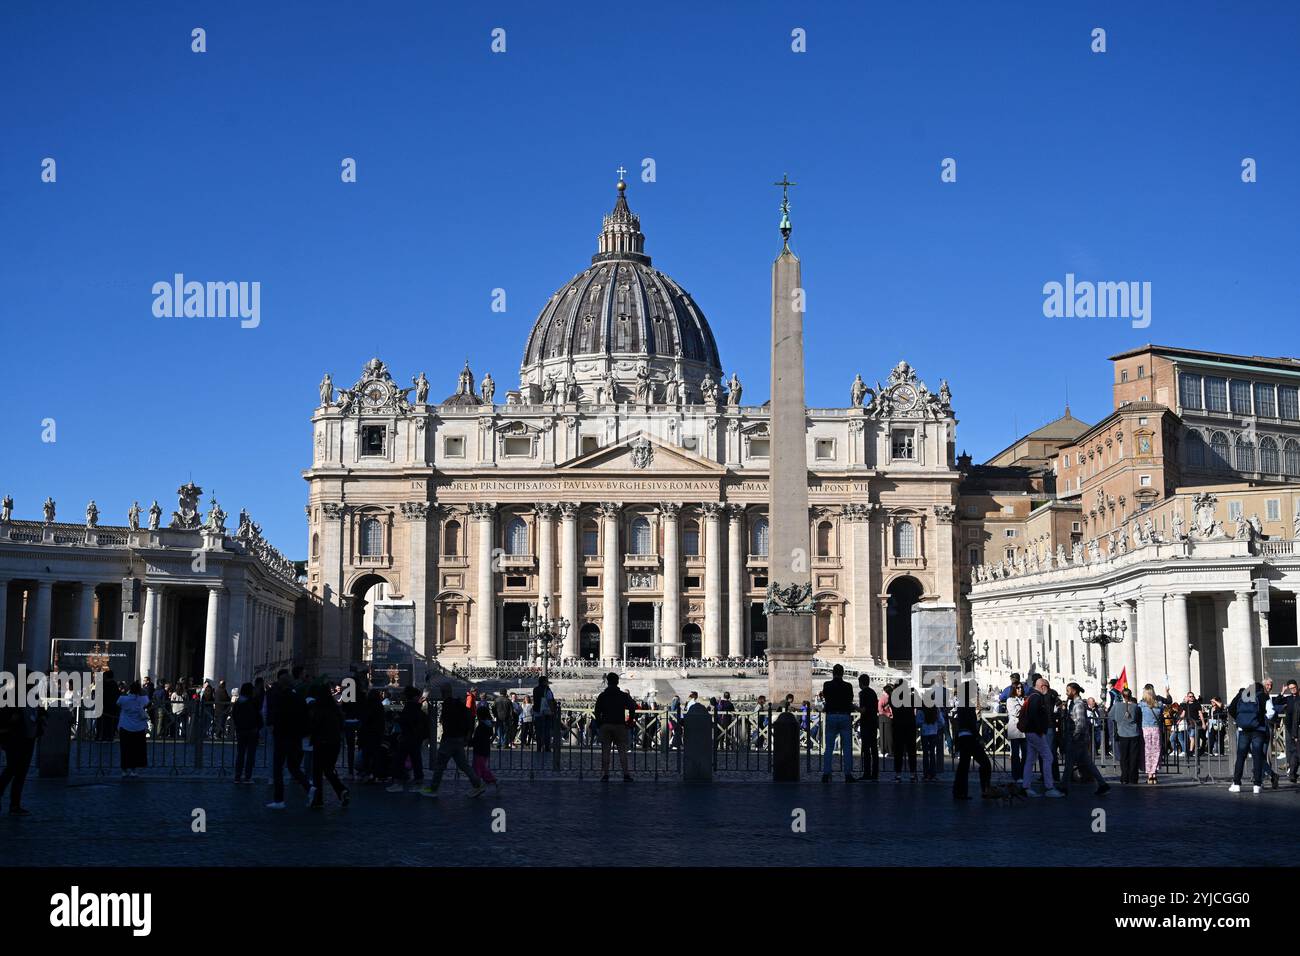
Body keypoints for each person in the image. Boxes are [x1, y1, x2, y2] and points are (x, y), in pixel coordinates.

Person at [421, 685, 485, 798]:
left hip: (449, 739)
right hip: (459, 738)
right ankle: (478, 784)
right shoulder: (459, 704)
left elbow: (446, 723)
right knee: (464, 765)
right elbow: (469, 717)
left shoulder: (447, 705)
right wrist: (467, 735)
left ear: (443, 693)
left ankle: (433, 788)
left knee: (440, 765)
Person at [266, 669, 311, 810]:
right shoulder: (297, 696)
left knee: (278, 768)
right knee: (293, 767)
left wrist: (271, 724)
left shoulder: (280, 696)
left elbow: (275, 714)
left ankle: (279, 800)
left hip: (282, 735)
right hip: (295, 736)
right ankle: (310, 788)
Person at [0, 687, 44, 816]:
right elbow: (4, 717)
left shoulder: (33, 697)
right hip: (14, 738)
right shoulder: (10, 696)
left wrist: (41, 718)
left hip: (29, 738)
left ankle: (15, 805)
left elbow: (40, 711)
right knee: (11, 768)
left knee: (21, 773)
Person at [306, 682, 350, 808]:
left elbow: (314, 725)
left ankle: (319, 799)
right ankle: (341, 790)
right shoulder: (335, 708)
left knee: (318, 772)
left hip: (321, 742)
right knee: (329, 770)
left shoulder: (318, 708)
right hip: (335, 742)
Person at [1062, 683, 1109, 796]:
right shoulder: (1073, 703)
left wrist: (1075, 736)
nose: (1066, 693)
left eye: (1068, 690)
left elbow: (1081, 723)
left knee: (1069, 764)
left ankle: (1063, 787)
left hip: (1077, 739)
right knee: (1088, 763)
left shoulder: (1078, 705)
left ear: (1074, 691)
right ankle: (1103, 784)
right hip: (1079, 739)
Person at [1020, 676, 1063, 797]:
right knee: (1048, 757)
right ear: (1042, 686)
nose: (1048, 690)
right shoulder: (1037, 697)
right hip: (1035, 732)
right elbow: (1034, 715)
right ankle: (1049, 787)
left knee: (1030, 759)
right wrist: (1040, 730)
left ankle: (1026, 786)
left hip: (1030, 731)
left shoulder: (1031, 695)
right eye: (1047, 687)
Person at [1228, 681, 1274, 794]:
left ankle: (1236, 783)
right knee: (1257, 757)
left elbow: (1231, 709)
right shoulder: (1263, 696)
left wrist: (1241, 720)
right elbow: (1271, 712)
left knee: (1240, 757)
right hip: (1259, 730)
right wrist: (1261, 719)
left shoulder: (1242, 695)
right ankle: (1257, 785)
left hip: (1243, 730)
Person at [952, 680, 994, 800]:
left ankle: (959, 791)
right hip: (969, 737)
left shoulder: (962, 704)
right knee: (985, 763)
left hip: (963, 737)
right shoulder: (967, 705)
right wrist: (979, 737)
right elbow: (970, 724)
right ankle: (985, 789)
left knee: (963, 766)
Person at [594, 673, 636, 782]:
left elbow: (597, 711)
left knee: (606, 750)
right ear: (617, 682)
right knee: (622, 751)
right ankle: (626, 774)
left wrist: (599, 723)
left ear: (607, 682)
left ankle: (605, 774)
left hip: (606, 724)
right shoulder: (623, 695)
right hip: (620, 725)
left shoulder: (602, 695)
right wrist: (630, 721)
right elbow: (632, 707)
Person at [820, 664, 856, 783]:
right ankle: (848, 774)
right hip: (845, 716)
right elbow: (850, 699)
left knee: (829, 748)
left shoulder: (827, 685)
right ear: (843, 673)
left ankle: (826, 773)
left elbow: (826, 697)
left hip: (831, 716)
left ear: (833, 673)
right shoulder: (848, 686)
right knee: (847, 748)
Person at [389, 685, 428, 793]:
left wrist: (398, 719)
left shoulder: (410, 706)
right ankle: (418, 782)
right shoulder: (416, 707)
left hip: (408, 737)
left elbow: (407, 721)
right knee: (416, 759)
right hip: (415, 737)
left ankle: (398, 782)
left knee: (400, 759)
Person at [117, 681, 150, 778]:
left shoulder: (123, 699)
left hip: (125, 726)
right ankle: (133, 769)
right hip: (138, 728)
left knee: (125, 749)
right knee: (135, 750)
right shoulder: (142, 699)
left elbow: (118, 703)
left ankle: (124, 769)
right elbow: (147, 699)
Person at [232, 681, 262, 784]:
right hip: (251, 731)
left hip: (240, 731)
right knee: (250, 754)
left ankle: (237, 776)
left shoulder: (238, 702)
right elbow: (257, 716)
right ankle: (247, 777)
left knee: (240, 754)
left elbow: (234, 715)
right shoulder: (252, 702)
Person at [891, 681, 918, 782]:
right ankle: (912, 774)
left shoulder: (893, 698)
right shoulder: (911, 698)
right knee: (911, 751)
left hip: (898, 727)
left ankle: (898, 775)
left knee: (898, 752)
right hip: (910, 726)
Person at [1138, 687, 1164, 784]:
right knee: (1156, 751)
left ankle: (1149, 775)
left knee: (1147, 752)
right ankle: (1154, 774)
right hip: (1156, 729)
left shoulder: (1141, 705)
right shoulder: (1159, 705)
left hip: (1145, 729)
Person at [471, 705, 499, 789]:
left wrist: (469, 742)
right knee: (482, 768)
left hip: (479, 750)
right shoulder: (488, 725)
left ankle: (478, 786)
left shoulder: (481, 727)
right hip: (485, 750)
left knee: (478, 769)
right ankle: (493, 781)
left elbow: (477, 739)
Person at [918, 697, 945, 782]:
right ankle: (933, 774)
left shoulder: (921, 710)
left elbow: (918, 722)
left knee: (925, 754)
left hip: (924, 732)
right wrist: (937, 727)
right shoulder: (936, 710)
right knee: (933, 753)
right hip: (934, 732)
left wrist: (923, 725)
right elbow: (942, 721)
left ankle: (926, 774)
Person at [857, 675, 879, 781]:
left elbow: (863, 710)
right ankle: (875, 773)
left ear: (861, 683)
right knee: (874, 749)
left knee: (866, 749)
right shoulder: (873, 692)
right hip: (874, 722)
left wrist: (853, 706)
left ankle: (867, 773)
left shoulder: (863, 693)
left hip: (866, 723)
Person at [1004, 682, 1026, 781]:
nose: (1020, 689)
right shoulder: (1010, 700)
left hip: (1025, 729)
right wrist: (1025, 709)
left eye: (1021, 688)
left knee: (1025, 754)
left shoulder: (1024, 699)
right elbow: (1016, 712)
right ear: (1014, 689)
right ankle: (1016, 775)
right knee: (1016, 754)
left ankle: (1023, 773)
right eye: (1017, 688)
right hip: (1015, 729)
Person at [532, 676, 557, 752]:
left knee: (539, 730)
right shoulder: (547, 690)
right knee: (546, 730)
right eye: (546, 681)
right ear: (544, 682)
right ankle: (547, 747)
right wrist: (553, 710)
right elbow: (549, 701)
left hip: (537, 711)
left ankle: (539, 746)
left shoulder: (535, 689)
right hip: (546, 712)